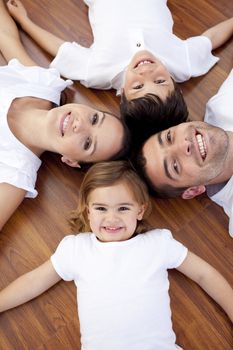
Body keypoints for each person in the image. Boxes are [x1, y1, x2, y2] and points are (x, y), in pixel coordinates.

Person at [0, 160, 232, 350]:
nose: (112, 219)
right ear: (88, 211)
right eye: (101, 208)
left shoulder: (158, 242)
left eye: (123, 208)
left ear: (140, 210)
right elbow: (33, 282)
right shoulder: (76, 249)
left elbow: (204, 274)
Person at [7, 0, 233, 145]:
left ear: (122, 93)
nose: (147, 71)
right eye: (161, 80)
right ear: (174, 82)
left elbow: (60, 49)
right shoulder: (183, 64)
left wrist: (24, 21)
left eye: (138, 86)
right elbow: (211, 39)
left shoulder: (98, 73)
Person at [0, 0, 129, 231]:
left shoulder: (16, 173)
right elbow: (6, 37)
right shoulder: (42, 84)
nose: (80, 125)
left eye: (88, 142)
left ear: (71, 161)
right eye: (94, 119)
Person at [138, 69, 233, 237]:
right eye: (175, 166)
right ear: (193, 190)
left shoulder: (222, 105)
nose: (184, 145)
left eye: (168, 137)